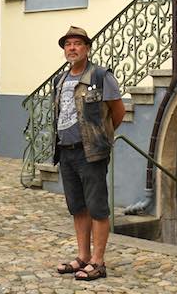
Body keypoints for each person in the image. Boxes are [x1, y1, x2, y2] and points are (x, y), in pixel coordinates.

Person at [51, 26, 125, 281]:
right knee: (77, 207)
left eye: (77, 43)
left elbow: (118, 111)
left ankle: (98, 261)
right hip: (66, 151)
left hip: (91, 152)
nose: (72, 48)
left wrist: (101, 137)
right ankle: (82, 256)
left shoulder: (101, 76)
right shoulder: (59, 80)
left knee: (97, 208)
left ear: (87, 48)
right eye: (68, 44)